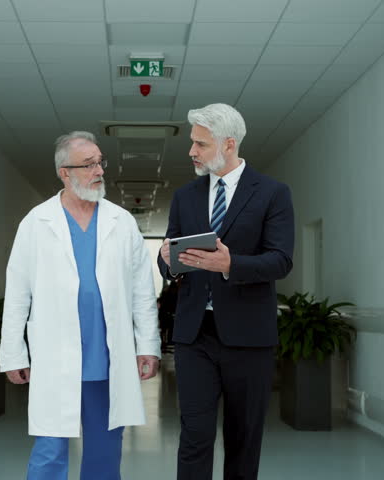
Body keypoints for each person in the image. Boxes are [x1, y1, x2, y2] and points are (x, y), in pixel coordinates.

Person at [0, 131, 161, 480]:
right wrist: (13, 354)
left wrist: (148, 346)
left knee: (105, 447)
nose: (99, 171)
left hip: (107, 358)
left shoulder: (122, 221)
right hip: (55, 356)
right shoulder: (36, 222)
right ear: (65, 173)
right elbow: (17, 292)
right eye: (88, 165)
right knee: (49, 448)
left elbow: (142, 292)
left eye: (100, 162)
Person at [157, 103, 294, 480]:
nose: (192, 151)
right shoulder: (185, 196)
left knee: (243, 439)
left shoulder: (273, 193)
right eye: (192, 142)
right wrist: (166, 260)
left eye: (200, 144)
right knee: (194, 436)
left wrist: (231, 264)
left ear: (229, 144)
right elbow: (169, 257)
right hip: (194, 336)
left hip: (249, 338)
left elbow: (281, 261)